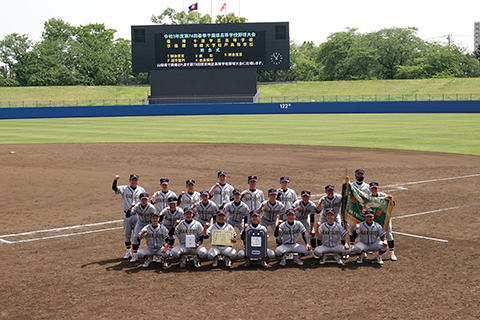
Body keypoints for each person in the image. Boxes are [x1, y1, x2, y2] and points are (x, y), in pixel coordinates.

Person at [112, 173, 146, 259]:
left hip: (138, 215)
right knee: (127, 233)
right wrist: (115, 180)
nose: (134, 181)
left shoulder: (141, 190)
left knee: (137, 234)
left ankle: (136, 251)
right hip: (127, 214)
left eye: (135, 180)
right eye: (132, 179)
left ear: (137, 181)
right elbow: (114, 188)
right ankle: (128, 252)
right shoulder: (124, 188)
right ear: (129, 180)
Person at [367, 181, 397, 261]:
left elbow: (392, 204)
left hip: (384, 219)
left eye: (375, 188)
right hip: (374, 219)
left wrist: (391, 199)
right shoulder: (367, 197)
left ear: (378, 189)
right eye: (372, 189)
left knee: (388, 234)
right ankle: (368, 249)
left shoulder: (383, 195)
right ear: (370, 189)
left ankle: (392, 253)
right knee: (370, 234)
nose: (374, 190)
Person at [127, 192, 156, 263]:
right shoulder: (137, 206)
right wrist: (130, 207)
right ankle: (135, 255)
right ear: (139, 199)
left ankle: (155, 255)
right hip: (140, 222)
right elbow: (128, 215)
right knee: (135, 237)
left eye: (145, 199)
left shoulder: (151, 207)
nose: (144, 201)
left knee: (153, 237)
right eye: (142, 199)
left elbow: (154, 218)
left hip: (149, 223)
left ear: (148, 199)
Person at [349, 169, 369, 249]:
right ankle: (351, 245)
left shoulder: (367, 186)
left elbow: (370, 197)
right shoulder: (351, 185)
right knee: (352, 228)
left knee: (365, 228)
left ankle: (365, 245)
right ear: (355, 176)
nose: (360, 176)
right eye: (358, 175)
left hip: (364, 211)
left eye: (361, 175)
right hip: (354, 210)